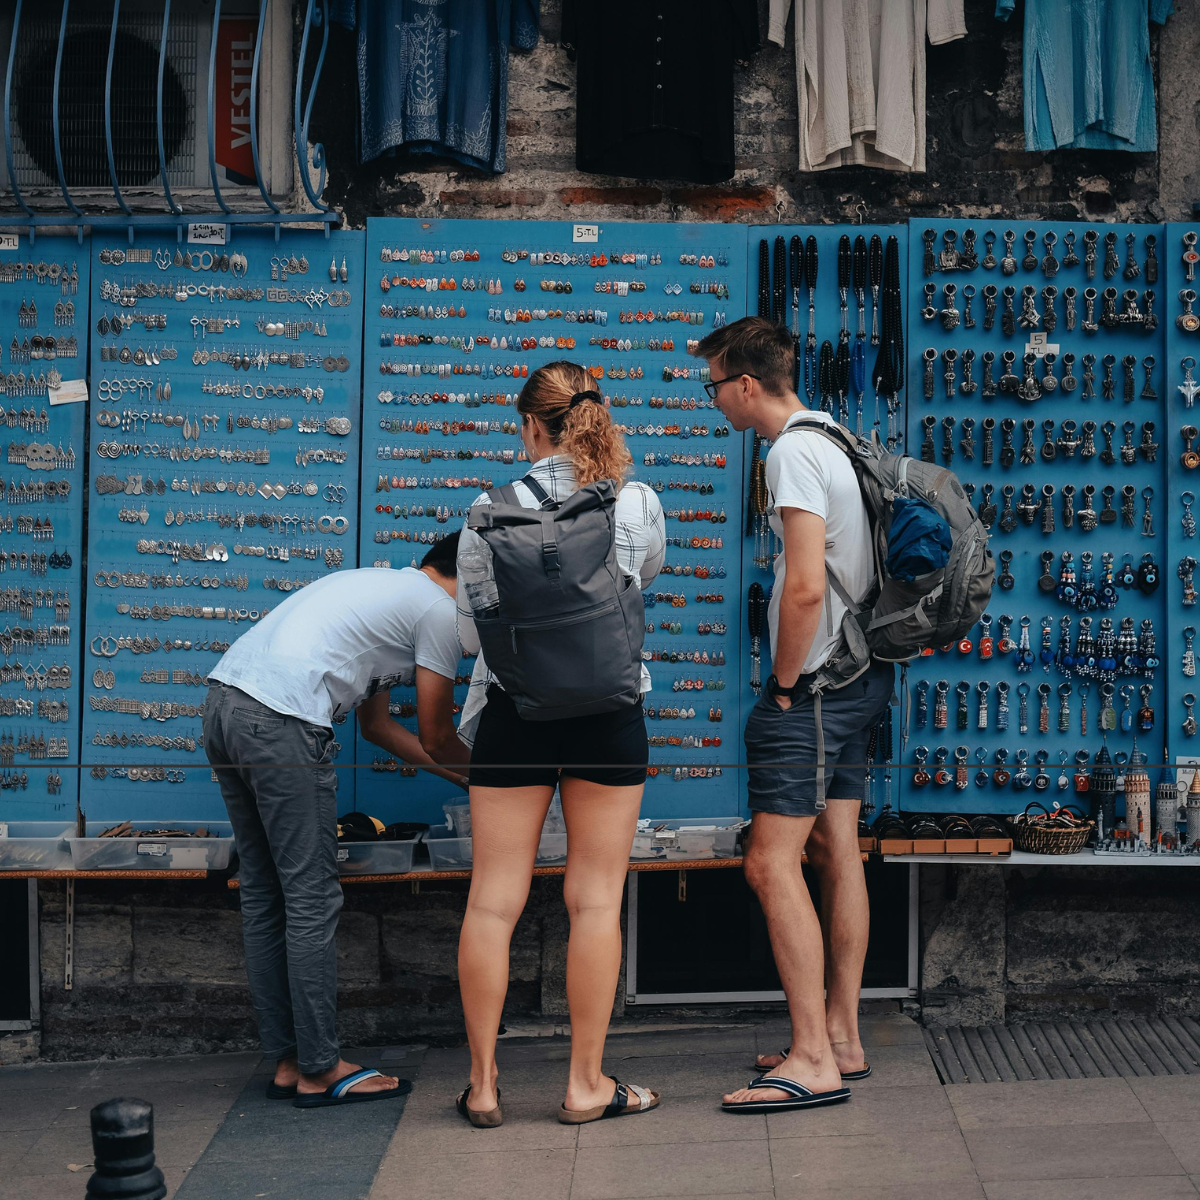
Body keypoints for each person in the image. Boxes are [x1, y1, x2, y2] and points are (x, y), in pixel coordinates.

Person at [453, 361, 665, 1127]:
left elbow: (472, 626)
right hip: (609, 714)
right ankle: (584, 1085)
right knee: (596, 898)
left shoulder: (485, 510)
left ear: (529, 426)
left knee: (492, 900)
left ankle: (482, 1085)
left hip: (515, 713)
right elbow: (640, 583)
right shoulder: (635, 501)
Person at [694, 317, 894, 1114]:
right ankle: (841, 1037)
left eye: (713, 384)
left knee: (769, 862)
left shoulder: (789, 453)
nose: (711, 398)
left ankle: (812, 1057)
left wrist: (781, 685)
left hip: (812, 689)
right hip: (861, 679)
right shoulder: (836, 437)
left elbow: (806, 585)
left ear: (747, 384)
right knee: (837, 849)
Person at [203, 535, 468, 1108]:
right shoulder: (441, 611)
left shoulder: (387, 590)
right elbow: (439, 734)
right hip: (281, 719)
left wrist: (463, 781)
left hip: (225, 704)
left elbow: (376, 727)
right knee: (309, 898)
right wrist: (501, 779)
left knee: (265, 895)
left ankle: (289, 1061)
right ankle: (322, 1068)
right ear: (467, 577)